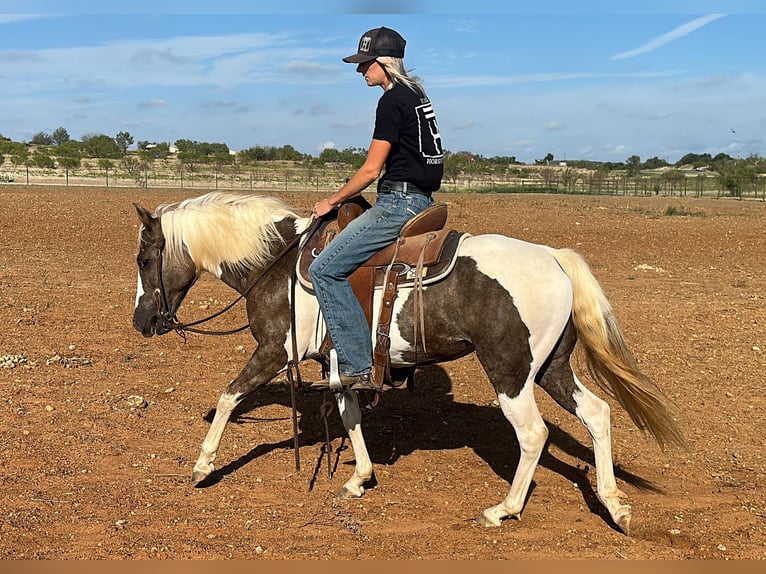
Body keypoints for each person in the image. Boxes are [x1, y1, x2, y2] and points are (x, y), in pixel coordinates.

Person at [309, 26, 444, 391]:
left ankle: (356, 366)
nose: (360, 71)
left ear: (384, 63)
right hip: (423, 200)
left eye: (365, 64)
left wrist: (332, 201)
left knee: (324, 269)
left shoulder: (390, 101)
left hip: (399, 202)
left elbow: (370, 169)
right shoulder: (417, 94)